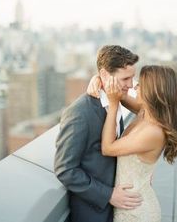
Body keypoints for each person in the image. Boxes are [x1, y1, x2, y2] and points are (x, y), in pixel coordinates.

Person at [88, 64, 177, 222]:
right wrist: (99, 79)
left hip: (137, 212)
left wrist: (113, 105)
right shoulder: (146, 112)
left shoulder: (153, 132)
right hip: (127, 204)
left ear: (153, 92)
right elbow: (120, 93)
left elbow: (107, 148)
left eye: (141, 85)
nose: (135, 87)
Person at [54, 45, 143, 222]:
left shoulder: (116, 100)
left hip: (117, 209)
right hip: (92, 213)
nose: (131, 85)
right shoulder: (80, 113)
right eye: (125, 78)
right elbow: (65, 169)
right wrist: (108, 194)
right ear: (104, 75)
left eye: (132, 77)